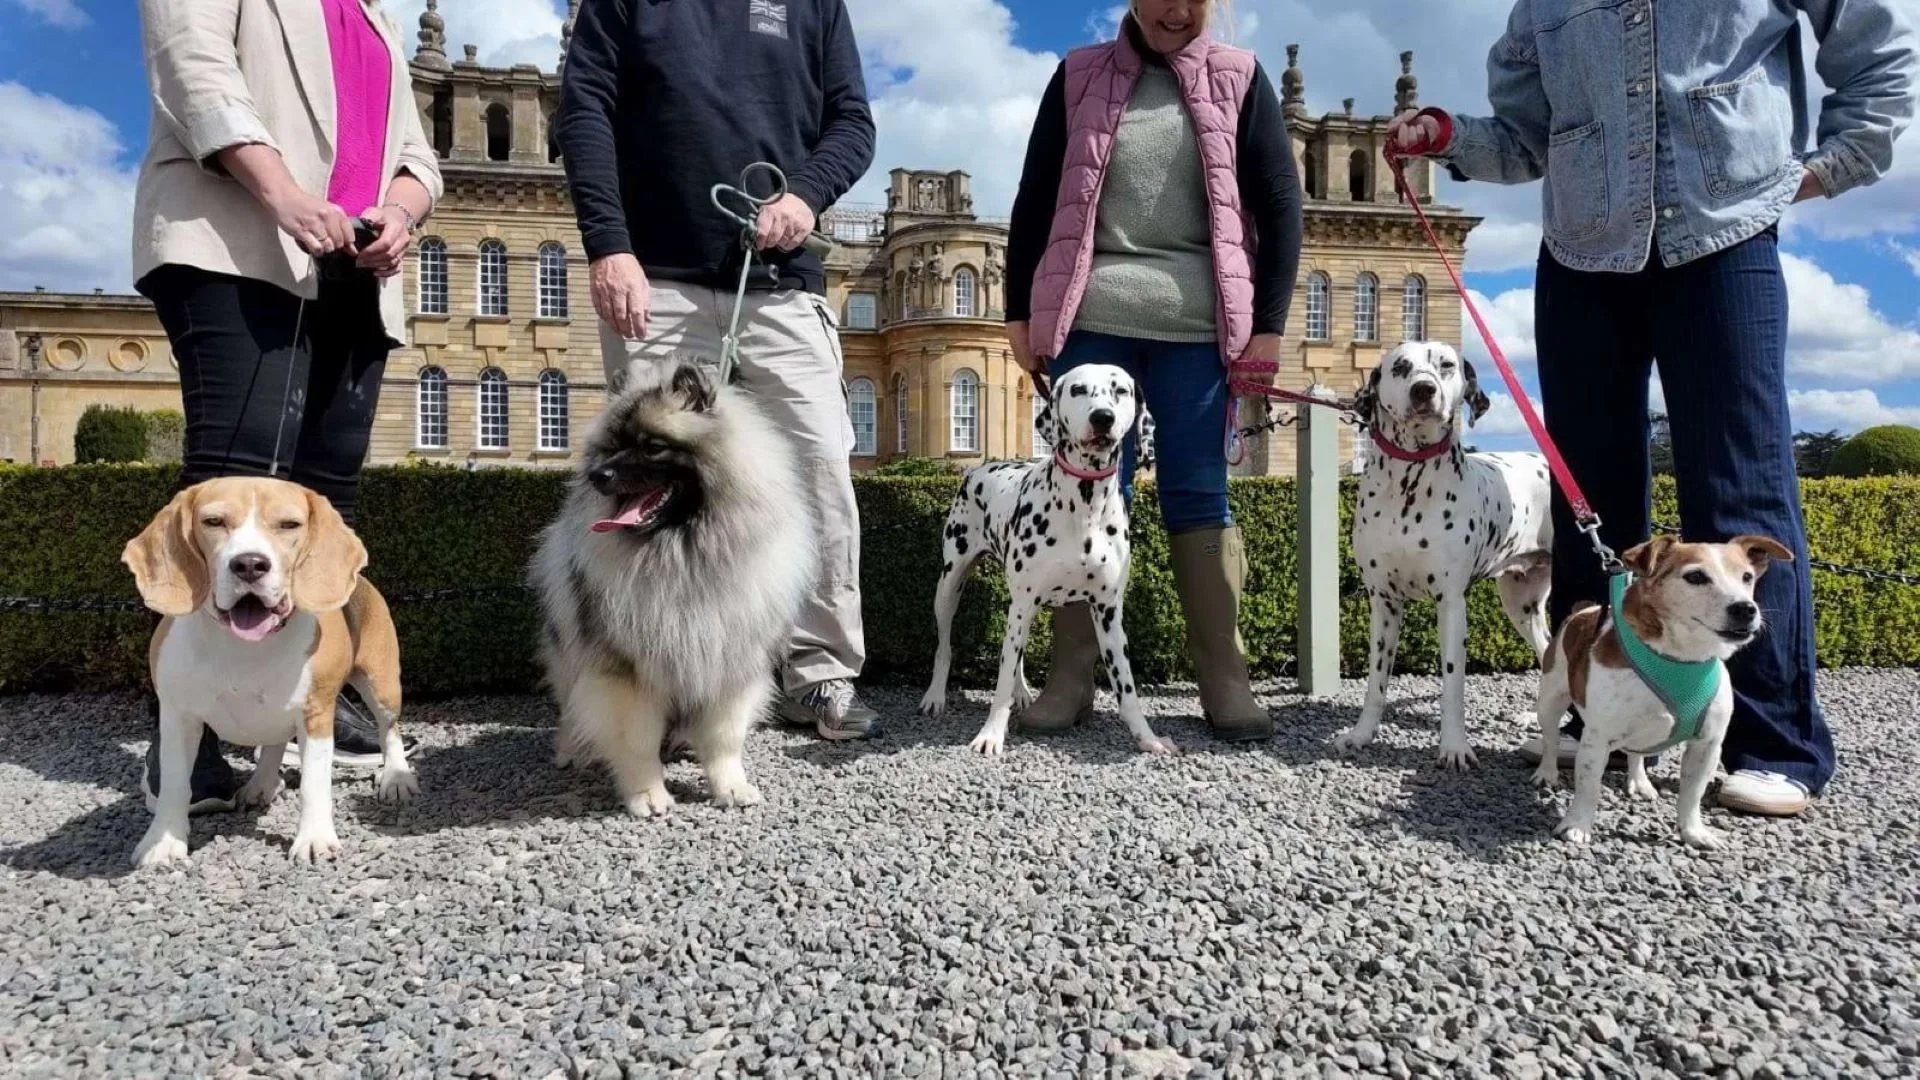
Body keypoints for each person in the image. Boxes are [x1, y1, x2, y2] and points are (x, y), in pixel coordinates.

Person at [1387, 0, 1918, 815]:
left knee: (1741, 486)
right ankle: (1596, 714)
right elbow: (1526, 137)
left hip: (1725, 231)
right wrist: (1449, 136)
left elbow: (1876, 40)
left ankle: (1772, 742)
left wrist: (1837, 160)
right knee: (1587, 502)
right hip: (1581, 248)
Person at [133, 0, 443, 811]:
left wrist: (400, 213)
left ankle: (310, 694)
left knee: (324, 501)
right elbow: (195, 72)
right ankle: (188, 738)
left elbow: (415, 152)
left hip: (357, 276)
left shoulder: (374, 15)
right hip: (236, 244)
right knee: (231, 483)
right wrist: (285, 194)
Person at [555, 0, 880, 741]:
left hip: (781, 282)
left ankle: (818, 672)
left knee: (820, 470)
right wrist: (608, 245)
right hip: (654, 278)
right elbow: (585, 107)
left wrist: (806, 195)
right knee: (638, 482)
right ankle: (651, 687)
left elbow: (852, 123)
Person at [1005, 0, 1303, 742]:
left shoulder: (1240, 76)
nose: (1176, 9)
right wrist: (1017, 313)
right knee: (1083, 495)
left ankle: (1223, 674)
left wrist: (1268, 328)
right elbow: (1036, 199)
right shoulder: (1077, 75)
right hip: (1091, 323)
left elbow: (1280, 204)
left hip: (1199, 331)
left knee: (1199, 492)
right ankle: (1071, 676)